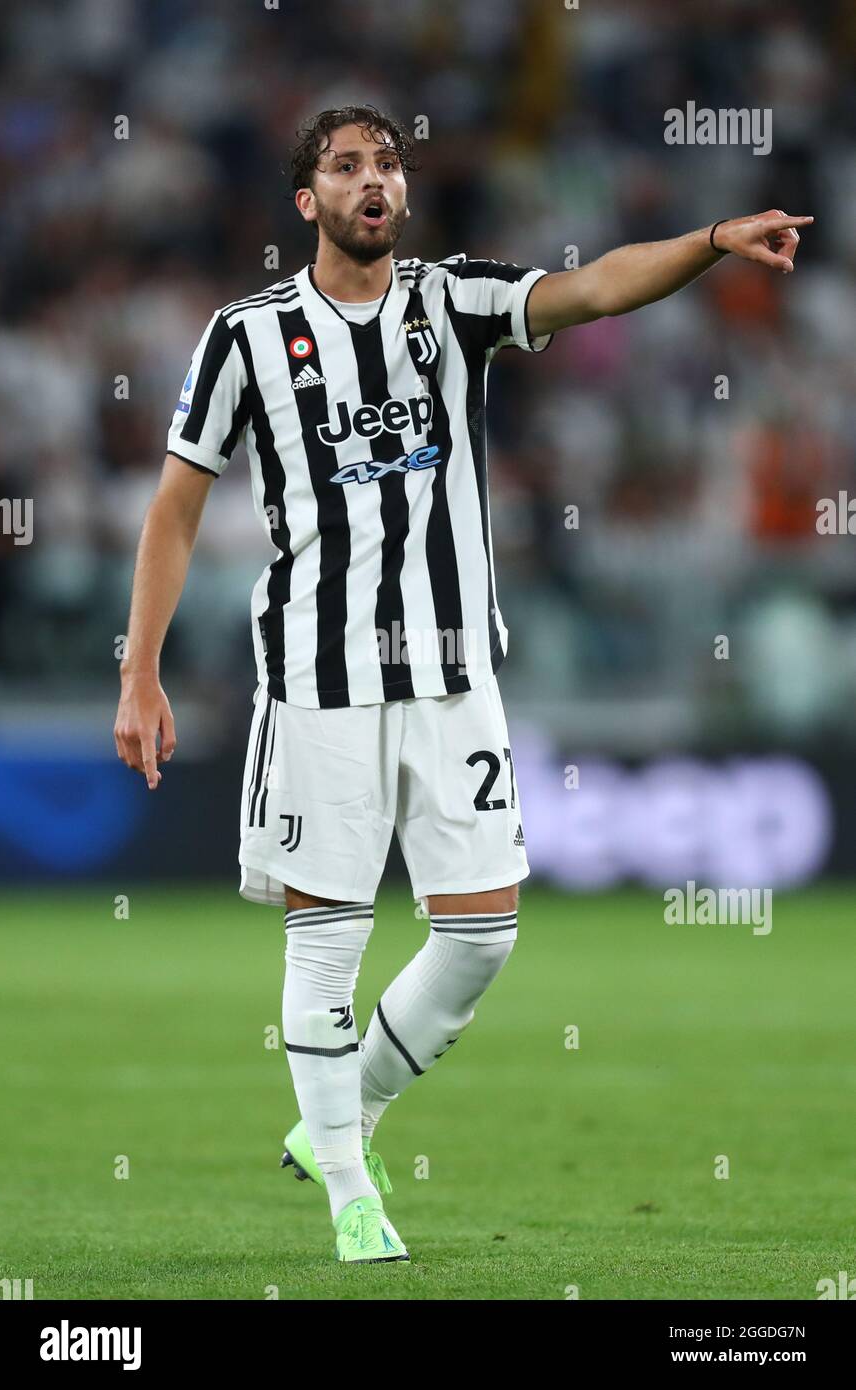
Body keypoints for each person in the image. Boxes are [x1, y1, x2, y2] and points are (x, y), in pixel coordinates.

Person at [114, 103, 811, 1264]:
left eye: (387, 163)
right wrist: (139, 670)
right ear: (308, 202)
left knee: (481, 936)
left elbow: (590, 291)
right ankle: (350, 1192)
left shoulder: (452, 301)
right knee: (325, 941)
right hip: (318, 674)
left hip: (452, 673)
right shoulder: (243, 337)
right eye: (346, 168)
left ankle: (345, 1117)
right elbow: (176, 505)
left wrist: (703, 240)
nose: (373, 181)